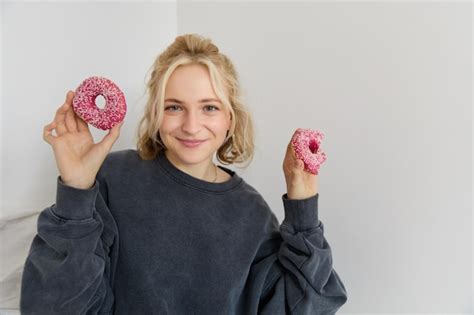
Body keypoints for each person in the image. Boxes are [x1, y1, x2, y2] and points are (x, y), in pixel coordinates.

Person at [20, 33, 348, 314]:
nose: (191, 126)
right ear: (156, 114)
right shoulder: (113, 178)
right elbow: (53, 306)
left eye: (209, 107)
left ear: (230, 119)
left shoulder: (251, 214)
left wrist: (302, 204)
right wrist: (77, 189)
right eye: (174, 106)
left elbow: (307, 306)